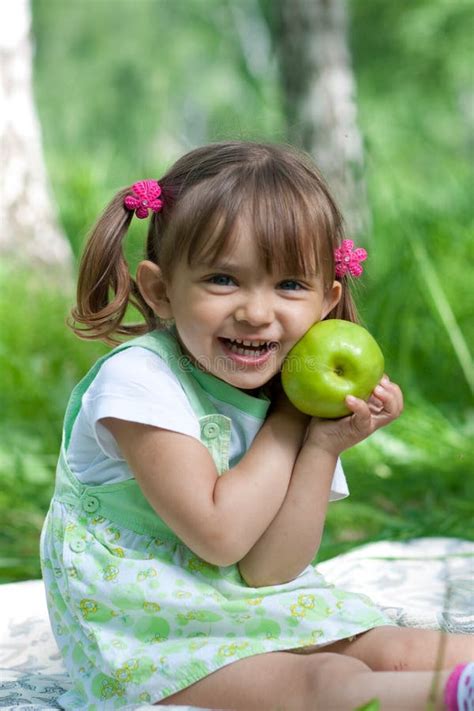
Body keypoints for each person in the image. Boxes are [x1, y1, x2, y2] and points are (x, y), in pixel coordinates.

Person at [40, 141, 473, 711]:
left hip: (246, 604)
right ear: (161, 290)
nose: (257, 312)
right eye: (223, 279)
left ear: (326, 301)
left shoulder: (290, 388)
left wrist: (322, 445)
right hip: (155, 636)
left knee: (396, 649)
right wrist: (293, 419)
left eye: (290, 285)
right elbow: (221, 536)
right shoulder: (138, 383)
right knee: (320, 683)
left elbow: (271, 570)